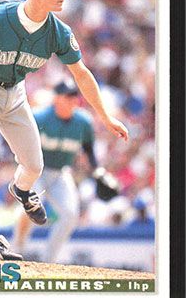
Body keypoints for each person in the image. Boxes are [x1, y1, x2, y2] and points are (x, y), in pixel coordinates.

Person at [0, 0, 129, 261]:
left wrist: (104, 115)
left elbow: (81, 74)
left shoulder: (58, 32)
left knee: (34, 165)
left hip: (15, 93)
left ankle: (21, 190)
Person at [12, 81, 118, 263]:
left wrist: (98, 171)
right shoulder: (39, 117)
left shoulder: (83, 122)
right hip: (35, 172)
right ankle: (17, 249)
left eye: (74, 96)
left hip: (60, 173)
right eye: (67, 96)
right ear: (56, 98)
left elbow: (88, 149)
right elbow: (19, 142)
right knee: (28, 209)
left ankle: (49, 261)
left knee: (70, 215)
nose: (72, 100)